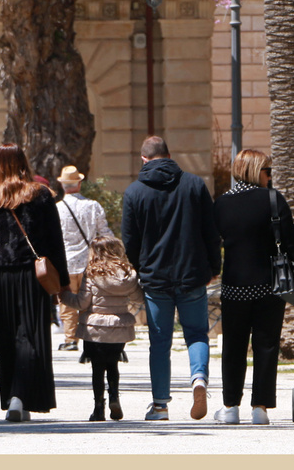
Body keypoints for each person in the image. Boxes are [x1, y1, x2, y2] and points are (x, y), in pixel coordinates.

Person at [0, 144, 70, 422]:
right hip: (32, 274)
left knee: (7, 336)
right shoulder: (40, 195)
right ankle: (21, 396)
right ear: (24, 163)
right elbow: (54, 241)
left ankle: (14, 395)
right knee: (30, 334)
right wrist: (63, 281)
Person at [120, 135, 220, 422]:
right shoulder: (193, 185)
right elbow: (209, 231)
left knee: (160, 341)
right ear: (168, 155)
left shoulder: (135, 192)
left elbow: (130, 240)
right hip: (191, 274)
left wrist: (142, 268)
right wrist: (214, 265)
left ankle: (161, 405)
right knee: (197, 333)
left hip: (155, 278)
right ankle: (198, 378)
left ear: (144, 159)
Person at [212, 148, 294, 425]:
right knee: (266, 346)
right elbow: (291, 245)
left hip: (234, 286)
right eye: (268, 171)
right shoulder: (273, 199)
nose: (270, 177)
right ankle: (260, 408)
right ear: (256, 172)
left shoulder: (222, 204)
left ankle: (230, 406)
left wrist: (209, 271)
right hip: (269, 285)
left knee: (233, 346)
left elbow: (211, 241)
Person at [72, 236, 143, 421]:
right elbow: (138, 298)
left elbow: (82, 302)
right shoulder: (128, 273)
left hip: (95, 328)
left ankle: (98, 407)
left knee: (97, 368)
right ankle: (114, 397)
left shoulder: (92, 272)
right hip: (119, 328)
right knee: (113, 364)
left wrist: (63, 296)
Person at [55, 164, 112, 353]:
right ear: (79, 184)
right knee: (91, 302)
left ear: (63, 185)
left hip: (66, 263)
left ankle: (70, 339)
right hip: (90, 262)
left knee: (67, 301)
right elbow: (105, 233)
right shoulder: (92, 206)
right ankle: (92, 337)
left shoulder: (56, 209)